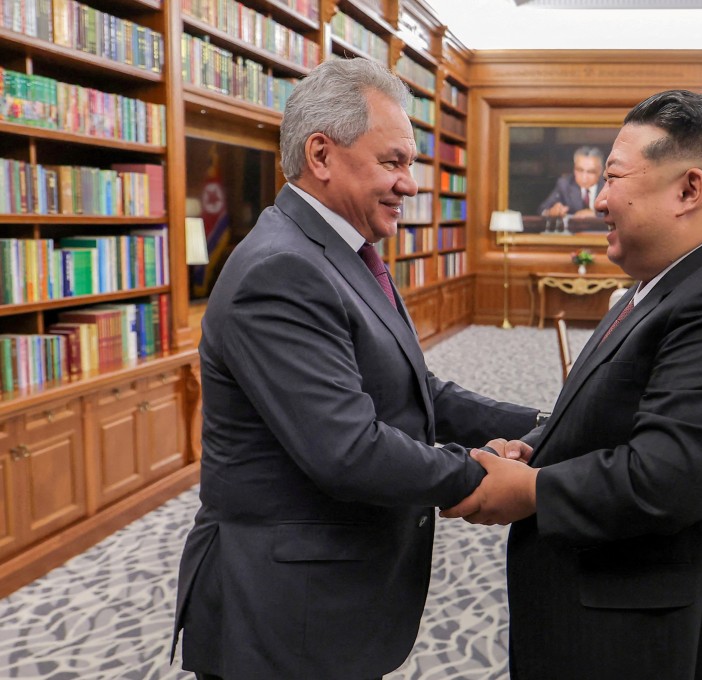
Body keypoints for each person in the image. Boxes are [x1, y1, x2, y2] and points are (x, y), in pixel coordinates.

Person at [171, 57, 539, 680]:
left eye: (411, 166)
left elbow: (417, 392)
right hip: (283, 612)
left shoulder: (344, 253)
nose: (410, 185)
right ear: (321, 155)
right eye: (393, 162)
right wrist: (480, 475)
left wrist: (543, 424)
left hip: (326, 596)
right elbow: (347, 449)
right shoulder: (282, 269)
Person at [443, 90, 702, 679]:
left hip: (666, 641)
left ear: (688, 190)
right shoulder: (657, 286)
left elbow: (668, 475)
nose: (599, 200)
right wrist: (531, 445)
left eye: (613, 178)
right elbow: (608, 418)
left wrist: (533, 490)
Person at [538, 145, 606, 217]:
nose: (584, 177)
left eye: (591, 172)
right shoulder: (564, 184)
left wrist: (595, 215)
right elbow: (542, 210)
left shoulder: (609, 186)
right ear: (574, 168)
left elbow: (614, 213)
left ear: (600, 171)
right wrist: (550, 212)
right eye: (579, 170)